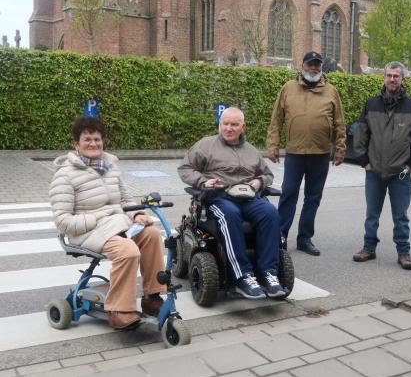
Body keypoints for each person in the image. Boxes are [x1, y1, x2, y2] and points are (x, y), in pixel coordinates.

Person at [49, 117, 166, 330]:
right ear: (76, 144)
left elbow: (125, 200)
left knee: (152, 234)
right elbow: (63, 221)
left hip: (116, 225)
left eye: (97, 139)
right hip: (88, 230)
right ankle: (119, 310)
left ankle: (152, 297)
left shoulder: (110, 167)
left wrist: (137, 214)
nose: (93, 144)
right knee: (127, 250)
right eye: (87, 139)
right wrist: (97, 218)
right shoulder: (65, 176)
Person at [178, 107, 285, 299]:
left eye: (234, 124)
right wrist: (203, 182)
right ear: (220, 125)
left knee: (270, 213)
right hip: (218, 197)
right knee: (230, 215)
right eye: (225, 124)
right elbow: (185, 168)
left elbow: (267, 174)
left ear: (242, 127)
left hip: (248, 197)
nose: (229, 128)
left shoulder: (251, 150)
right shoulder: (205, 145)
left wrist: (260, 181)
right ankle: (242, 276)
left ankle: (269, 273)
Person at [266, 51, 346, 256]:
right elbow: (276, 120)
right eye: (310, 64)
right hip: (295, 152)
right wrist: (272, 146)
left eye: (317, 65)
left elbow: (339, 123)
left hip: (320, 154)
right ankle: (280, 237)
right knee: (288, 195)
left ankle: (304, 238)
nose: (313, 68)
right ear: (302, 65)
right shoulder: (288, 88)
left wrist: (340, 149)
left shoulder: (331, 91)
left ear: (320, 67)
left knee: (313, 198)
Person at [351, 61, 411, 270]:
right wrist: (364, 161)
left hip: (401, 173)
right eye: (389, 75)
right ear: (383, 78)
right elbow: (361, 134)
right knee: (371, 214)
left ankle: (403, 252)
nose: (392, 79)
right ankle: (369, 248)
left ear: (402, 79)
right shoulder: (371, 104)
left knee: (401, 216)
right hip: (374, 170)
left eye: (396, 76)